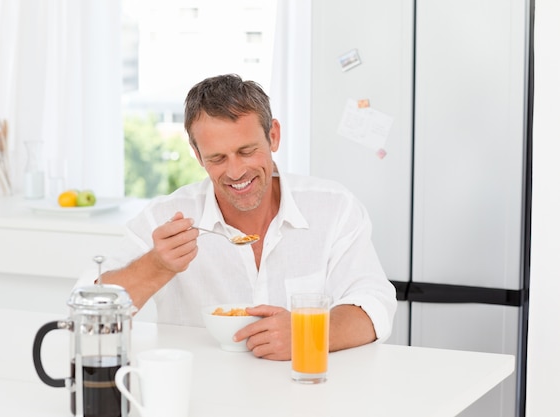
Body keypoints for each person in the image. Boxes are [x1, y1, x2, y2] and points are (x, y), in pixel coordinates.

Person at [78, 74, 397, 361]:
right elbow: (86, 318)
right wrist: (156, 265)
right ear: (196, 152)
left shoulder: (334, 207)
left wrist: (307, 333)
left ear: (273, 136)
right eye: (217, 157)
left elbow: (375, 306)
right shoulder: (164, 218)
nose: (235, 172)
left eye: (246, 151)